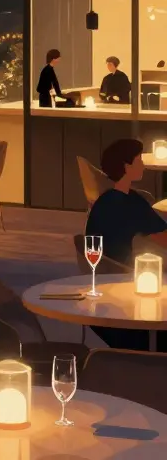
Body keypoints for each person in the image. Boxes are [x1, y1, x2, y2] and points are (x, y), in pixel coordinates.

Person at [84, 139, 167, 351]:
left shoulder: (106, 200)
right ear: (126, 166)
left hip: (102, 281)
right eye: (138, 160)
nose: (143, 165)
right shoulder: (129, 203)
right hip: (122, 287)